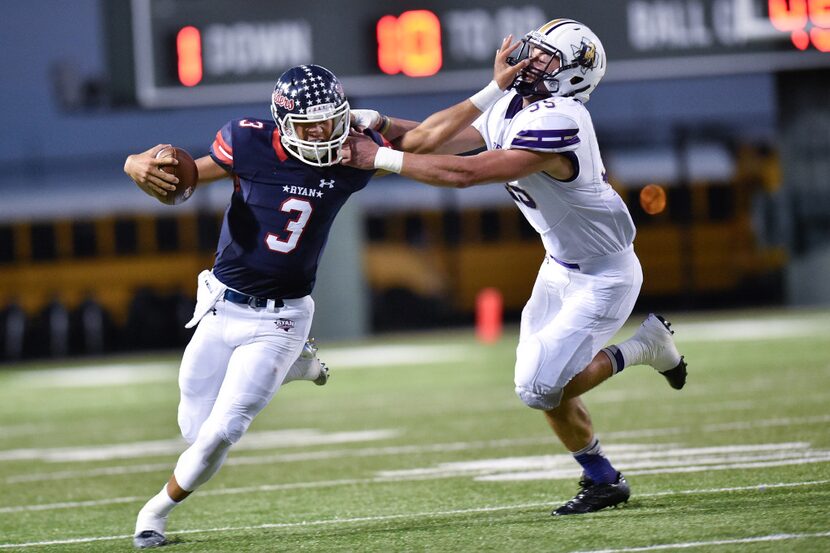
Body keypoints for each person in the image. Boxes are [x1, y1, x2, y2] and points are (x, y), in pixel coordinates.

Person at [345, 20, 688, 516]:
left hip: (604, 276)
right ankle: (602, 479)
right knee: (545, 387)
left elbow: (466, 174)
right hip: (558, 267)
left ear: (574, 75)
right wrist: (377, 123)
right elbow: (429, 140)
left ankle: (644, 348)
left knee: (537, 386)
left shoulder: (563, 119)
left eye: (546, 57)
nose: (529, 62)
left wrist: (380, 157)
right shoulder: (515, 103)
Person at [123, 64, 385, 548]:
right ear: (282, 122)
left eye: (328, 121)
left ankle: (152, 514)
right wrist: (135, 162)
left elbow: (433, 140)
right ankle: (295, 367)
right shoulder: (247, 142)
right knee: (193, 430)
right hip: (222, 305)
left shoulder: (353, 157)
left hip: (282, 317)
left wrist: (488, 94)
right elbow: (183, 179)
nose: (321, 133)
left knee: (223, 430)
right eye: (308, 124)